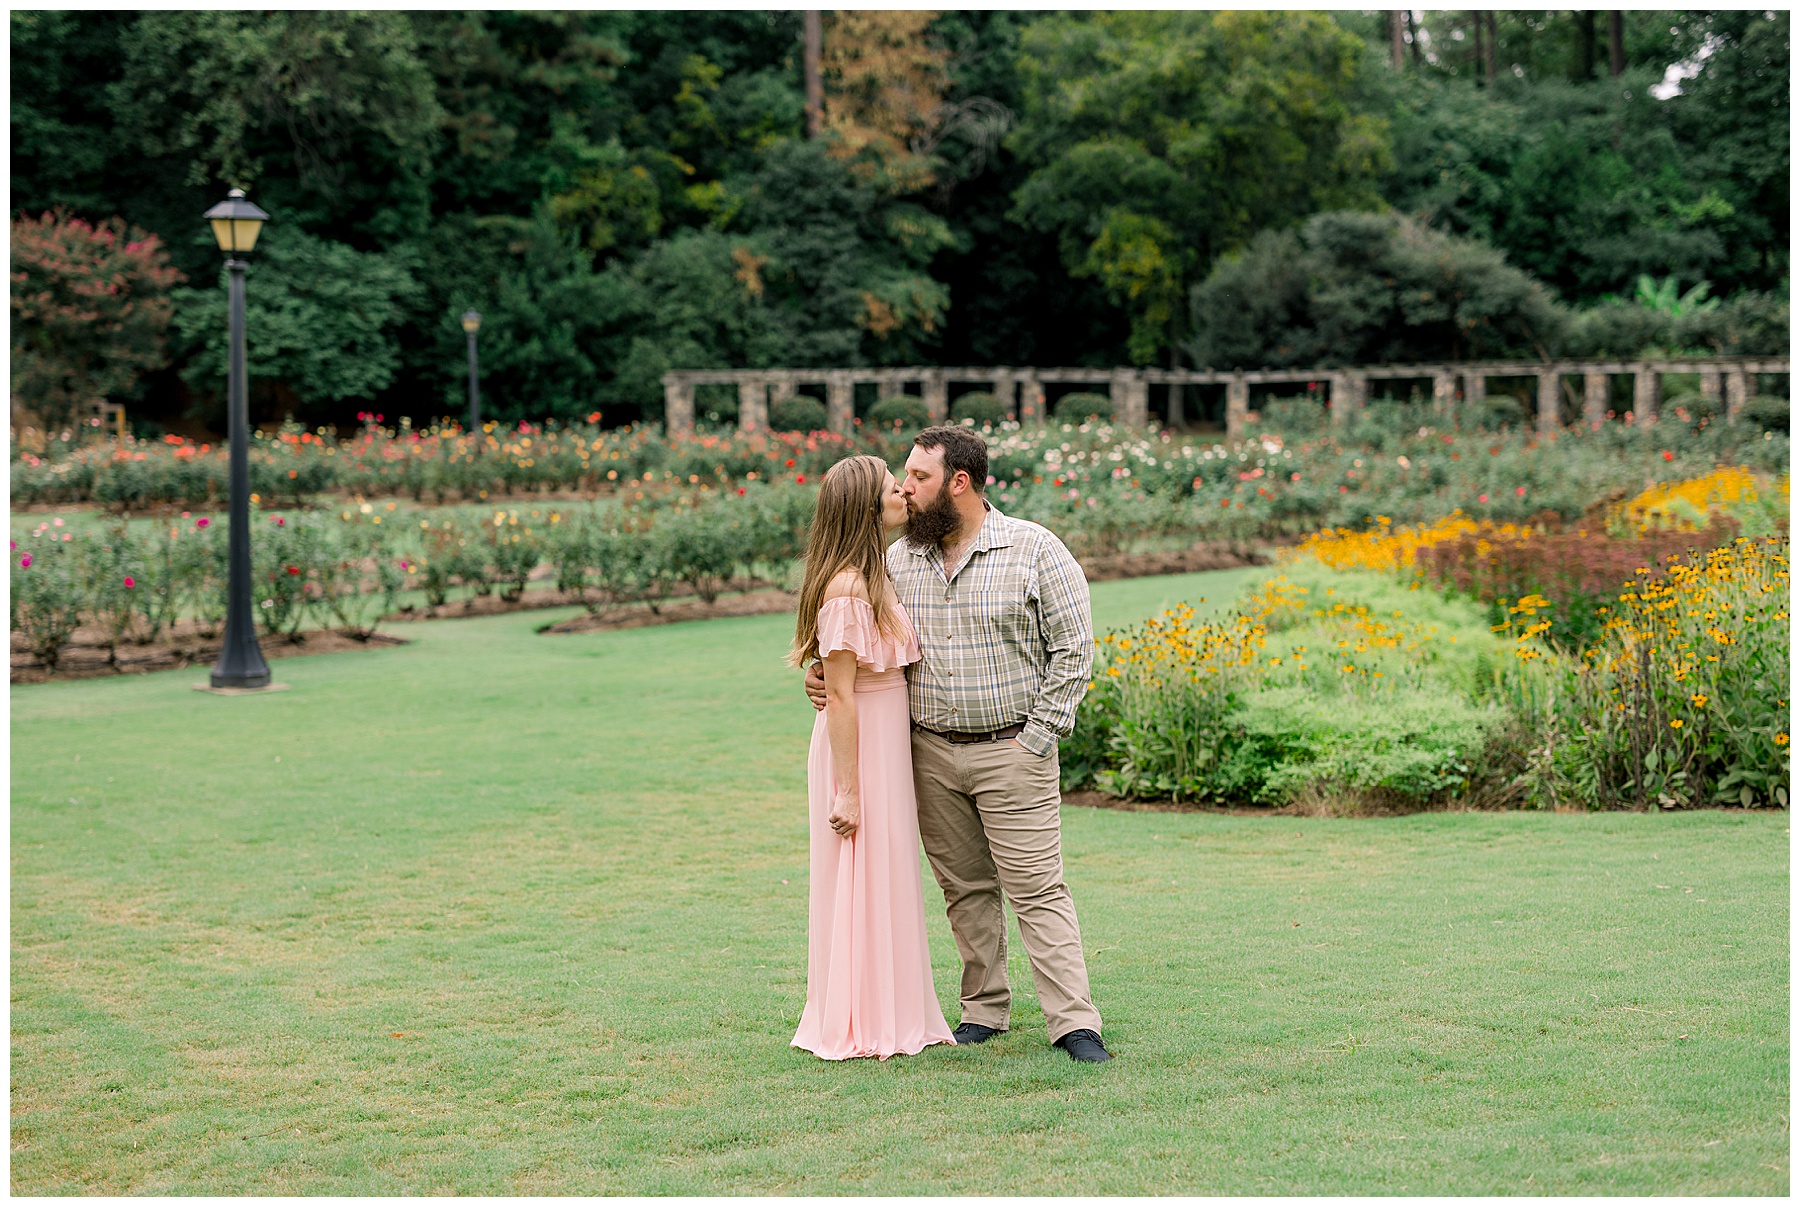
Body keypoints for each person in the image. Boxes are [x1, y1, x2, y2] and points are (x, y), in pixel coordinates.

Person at [806, 425, 1110, 1063]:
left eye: (918, 478)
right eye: (904, 477)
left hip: (1012, 747)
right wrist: (821, 673)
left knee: (1037, 888)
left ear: (959, 483)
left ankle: (1074, 1023)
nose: (905, 489)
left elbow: (1074, 651)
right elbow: (855, 642)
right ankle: (984, 1011)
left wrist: (1037, 739)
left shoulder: (1034, 550)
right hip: (926, 754)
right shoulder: (896, 561)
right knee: (964, 888)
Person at [788, 454, 956, 1061]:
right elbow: (838, 692)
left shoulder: (879, 572)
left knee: (887, 877)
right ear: (867, 507)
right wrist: (849, 789)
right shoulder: (849, 587)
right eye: (893, 489)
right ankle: (861, 1020)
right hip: (858, 751)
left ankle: (895, 1008)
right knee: (860, 879)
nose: (904, 495)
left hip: (886, 741)